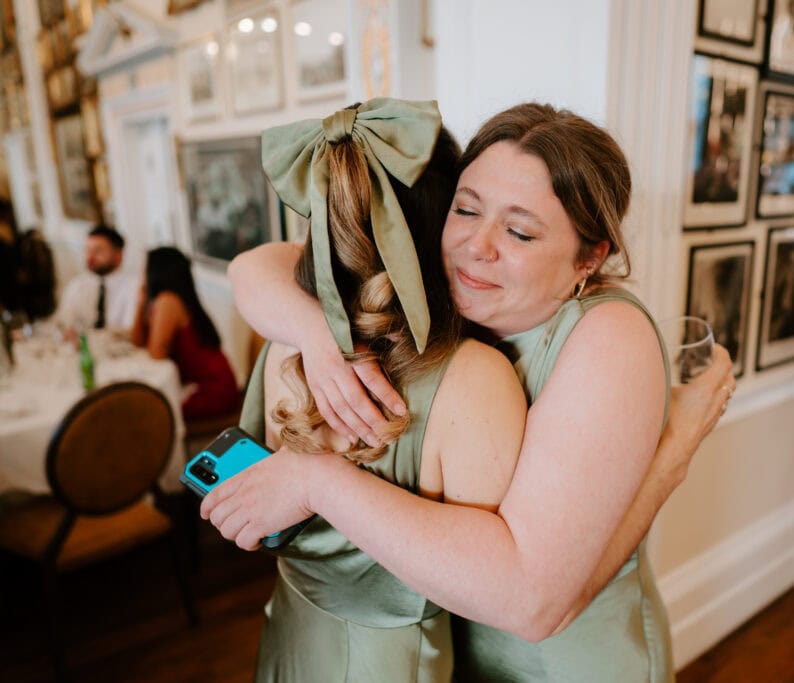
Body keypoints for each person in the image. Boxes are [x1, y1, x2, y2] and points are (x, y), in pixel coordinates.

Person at [206, 103, 736, 681]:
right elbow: (256, 268)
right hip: (451, 651)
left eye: (520, 231)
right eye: (465, 209)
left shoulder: (609, 337)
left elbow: (536, 607)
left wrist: (670, 461)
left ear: (590, 256)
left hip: (553, 665)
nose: (475, 246)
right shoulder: (448, 296)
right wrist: (316, 333)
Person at [228, 99, 526, 680]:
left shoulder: (284, 344)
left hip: (287, 638)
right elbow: (496, 590)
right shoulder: (475, 378)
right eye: (466, 211)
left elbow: (255, 265)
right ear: (440, 223)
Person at [131, 246, 239, 419]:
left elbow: (156, 354)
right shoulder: (169, 299)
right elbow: (136, 341)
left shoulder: (168, 301)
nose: (142, 274)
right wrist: (140, 301)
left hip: (211, 390)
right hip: (201, 383)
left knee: (149, 411)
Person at [53, 224, 138, 332]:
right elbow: (63, 323)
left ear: (118, 255)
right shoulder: (77, 285)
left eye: (98, 250)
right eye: (88, 250)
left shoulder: (134, 286)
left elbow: (130, 329)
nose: (90, 257)